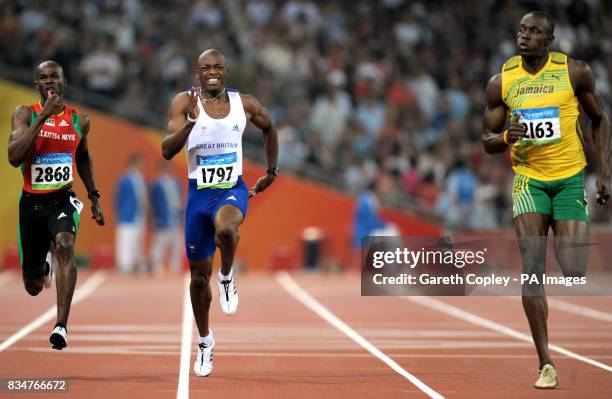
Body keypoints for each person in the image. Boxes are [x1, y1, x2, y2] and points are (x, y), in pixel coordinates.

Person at [482, 12, 610, 389]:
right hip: (529, 182)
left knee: (572, 268)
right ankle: (546, 363)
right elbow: (486, 140)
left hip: (570, 179)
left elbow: (600, 119)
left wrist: (603, 174)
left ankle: (565, 237)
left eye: (534, 31)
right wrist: (507, 137)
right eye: (522, 29)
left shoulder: (575, 72)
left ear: (549, 39)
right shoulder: (501, 81)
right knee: (533, 267)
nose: (525, 36)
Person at [162, 49, 278, 377]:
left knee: (227, 230)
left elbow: (270, 127)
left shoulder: (245, 104)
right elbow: (167, 150)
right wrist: (190, 125)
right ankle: (205, 340)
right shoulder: (183, 103)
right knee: (198, 280)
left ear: (225, 72)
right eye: (205, 68)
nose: (212, 72)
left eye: (217, 67)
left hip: (231, 190)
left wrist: (272, 170)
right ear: (197, 74)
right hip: (198, 196)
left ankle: (226, 276)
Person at [8, 60, 105, 350]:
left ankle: (61, 325)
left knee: (64, 243)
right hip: (32, 204)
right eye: (43, 78)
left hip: (63, 198)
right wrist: (42, 119)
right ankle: (44, 270)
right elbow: (14, 157)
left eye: (54, 77)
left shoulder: (80, 121)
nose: (49, 82)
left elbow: (83, 158)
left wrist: (94, 196)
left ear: (64, 82)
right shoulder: (24, 114)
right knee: (33, 285)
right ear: (36, 84)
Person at [114, 153, 149, 274]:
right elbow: (118, 198)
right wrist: (120, 213)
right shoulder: (125, 179)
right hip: (127, 215)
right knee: (125, 241)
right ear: (133, 163)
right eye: (140, 163)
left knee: (137, 242)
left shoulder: (140, 178)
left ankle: (135, 265)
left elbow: (142, 196)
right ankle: (124, 266)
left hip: (139, 215)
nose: (142, 165)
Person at [149, 161, 183, 275]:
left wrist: (181, 215)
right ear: (160, 169)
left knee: (177, 244)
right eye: (164, 168)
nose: (167, 170)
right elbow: (154, 204)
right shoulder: (156, 184)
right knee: (159, 245)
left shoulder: (175, 182)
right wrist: (155, 219)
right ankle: (156, 267)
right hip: (162, 219)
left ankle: (175, 267)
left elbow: (179, 200)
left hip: (175, 218)